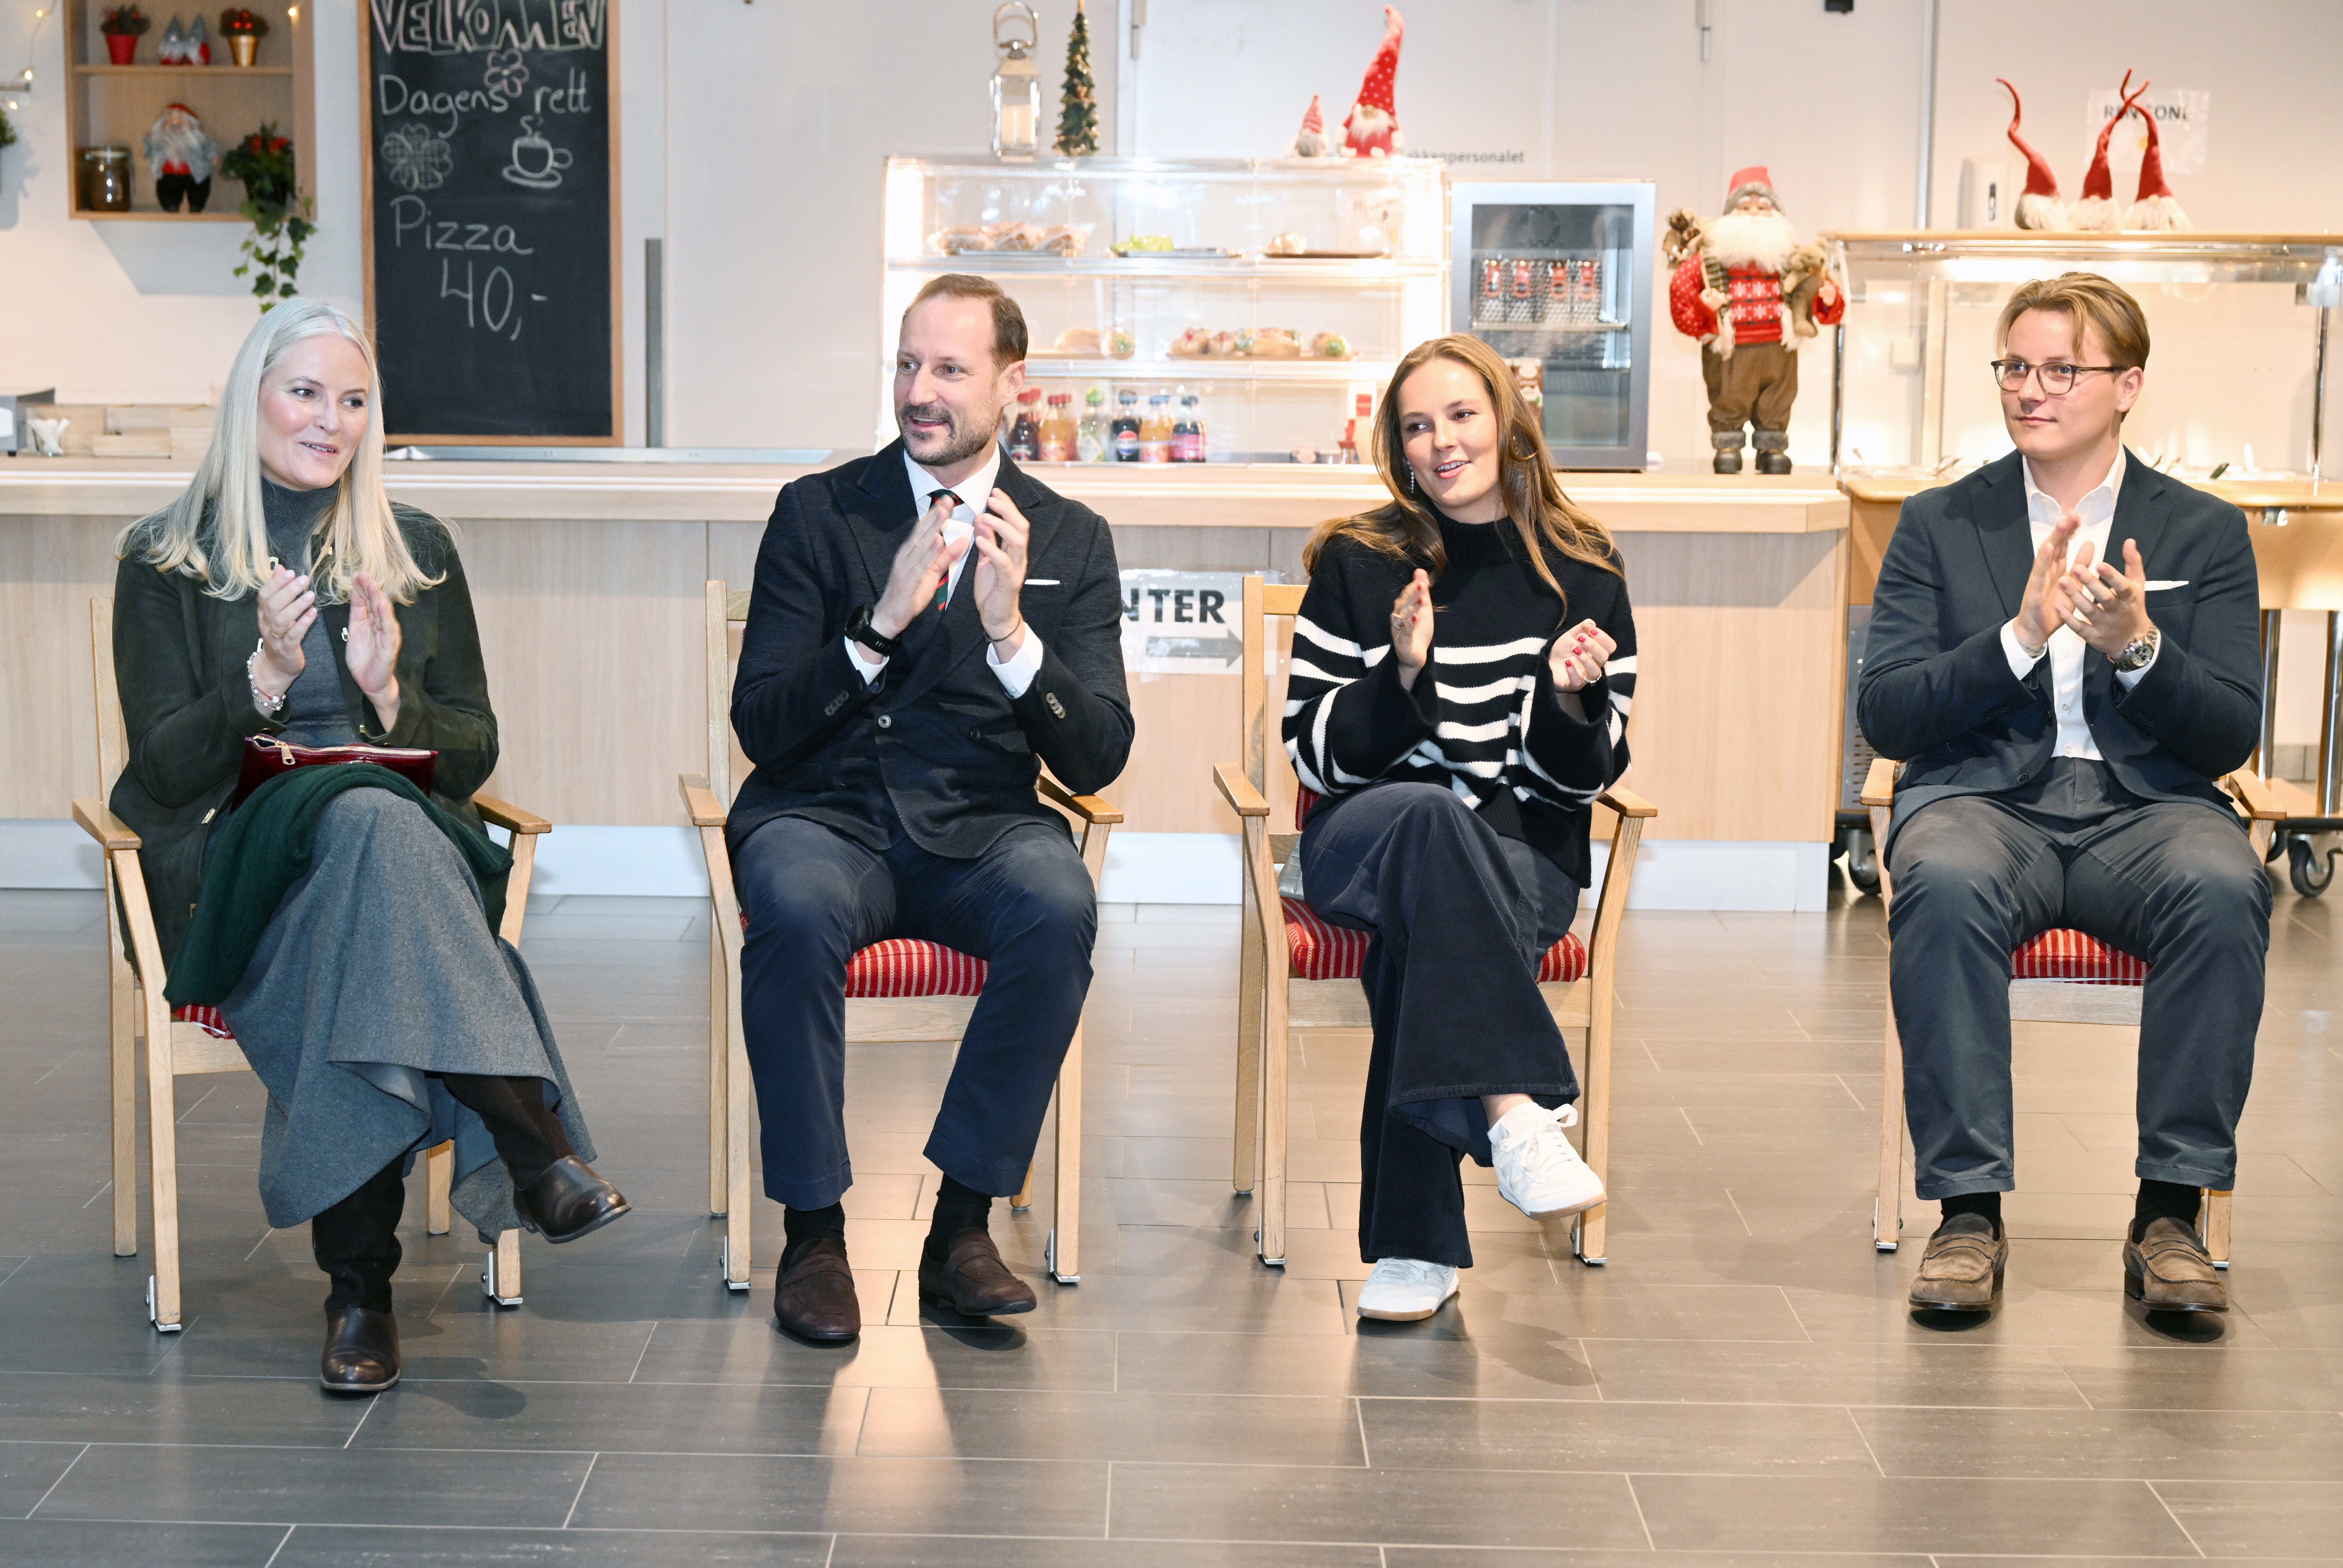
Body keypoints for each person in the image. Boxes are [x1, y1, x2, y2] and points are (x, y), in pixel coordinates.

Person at [110, 300, 628, 1393]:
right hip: (237, 858)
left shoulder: (417, 550)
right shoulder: (165, 557)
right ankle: (531, 1146)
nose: (330, 420)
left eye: (353, 400)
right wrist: (259, 679)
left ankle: (362, 1290)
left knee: (367, 839)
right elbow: (160, 773)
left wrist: (390, 695)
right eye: (305, 392)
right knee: (363, 824)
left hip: (384, 865)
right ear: (251, 396)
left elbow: (474, 747)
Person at [729, 274, 1131, 1343]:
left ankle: (961, 1224)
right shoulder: (819, 512)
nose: (920, 390)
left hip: (979, 829)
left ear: (1013, 383)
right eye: (908, 364)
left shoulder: (1072, 540)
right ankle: (814, 1232)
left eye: (949, 369)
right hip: (827, 815)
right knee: (796, 907)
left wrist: (1014, 642)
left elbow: (1097, 753)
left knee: (1058, 905)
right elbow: (761, 723)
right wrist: (878, 624)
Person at [1859, 272, 2266, 1317]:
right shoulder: (1941, 523)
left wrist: (2137, 646)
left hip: (2150, 810)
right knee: (1939, 879)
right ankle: (1965, 1213)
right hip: (1984, 803)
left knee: (2225, 885)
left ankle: (2170, 1211)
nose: (2028, 390)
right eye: (2013, 366)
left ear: (2126, 385)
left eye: (2058, 370)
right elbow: (1890, 713)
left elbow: (2228, 729)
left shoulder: (2205, 531)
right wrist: (2020, 637)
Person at [1285, 334, 1637, 1322]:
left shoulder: (1585, 571)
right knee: (1432, 823)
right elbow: (1312, 757)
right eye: (1416, 426)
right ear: (1396, 449)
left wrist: (1571, 703)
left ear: (1506, 419)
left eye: (1460, 415)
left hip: (1523, 853)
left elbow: (1588, 777)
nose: (1441, 442)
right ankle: (1516, 1107)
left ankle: (1414, 1249)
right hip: (1365, 833)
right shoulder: (1358, 563)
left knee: (1424, 931)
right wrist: (1399, 673)